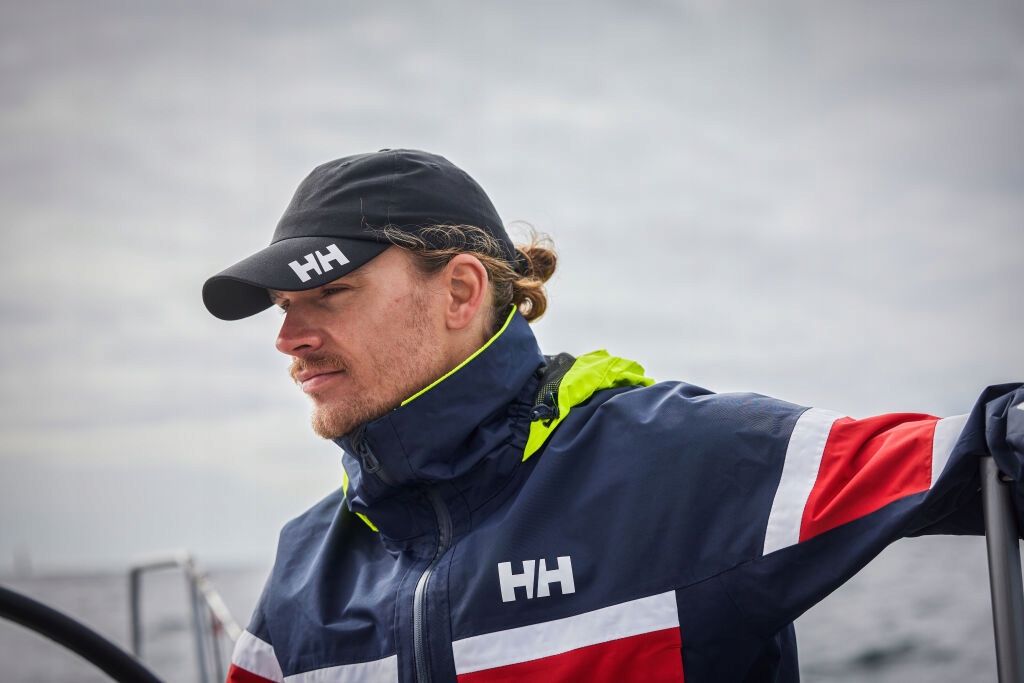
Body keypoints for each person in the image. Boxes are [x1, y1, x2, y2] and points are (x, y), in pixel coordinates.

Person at [203, 149, 1023, 683]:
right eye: (282, 306)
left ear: (459, 291)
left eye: (329, 293)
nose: (288, 337)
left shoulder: (675, 463)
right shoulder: (302, 573)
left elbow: (972, 453)